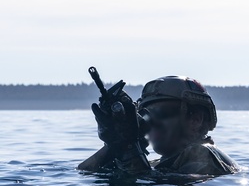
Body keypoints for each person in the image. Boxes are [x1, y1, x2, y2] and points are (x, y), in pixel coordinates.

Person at [79, 75, 239, 176]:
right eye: (145, 114)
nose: (151, 122)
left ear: (195, 119)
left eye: (161, 113)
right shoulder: (163, 163)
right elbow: (83, 174)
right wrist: (114, 144)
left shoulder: (203, 155)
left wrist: (128, 149)